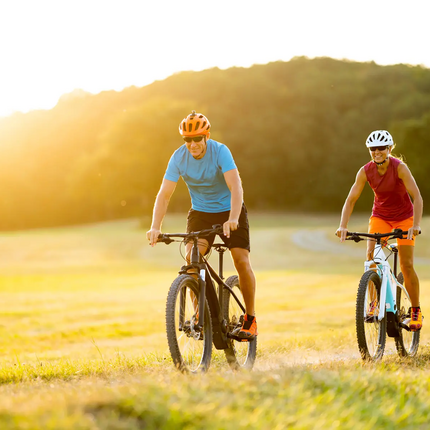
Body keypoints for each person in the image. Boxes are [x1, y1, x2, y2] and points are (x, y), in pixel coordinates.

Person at [146, 110, 257, 341]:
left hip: (230, 210)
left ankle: (250, 318)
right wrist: (155, 226)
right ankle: (200, 316)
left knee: (241, 260)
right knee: (191, 261)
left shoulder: (220, 151)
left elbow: (236, 186)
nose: (193, 144)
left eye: (198, 138)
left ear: (206, 136)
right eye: (188, 139)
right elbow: (164, 195)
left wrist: (233, 218)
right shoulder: (178, 158)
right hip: (201, 213)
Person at [336, 130, 423, 331]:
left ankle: (416, 311)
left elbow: (417, 196)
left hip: (404, 218)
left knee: (406, 264)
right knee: (370, 256)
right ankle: (374, 304)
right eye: (373, 149)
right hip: (380, 216)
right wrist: (343, 225)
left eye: (381, 148)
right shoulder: (365, 171)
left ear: (389, 149)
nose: (377, 152)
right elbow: (351, 200)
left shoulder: (400, 168)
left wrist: (415, 225)